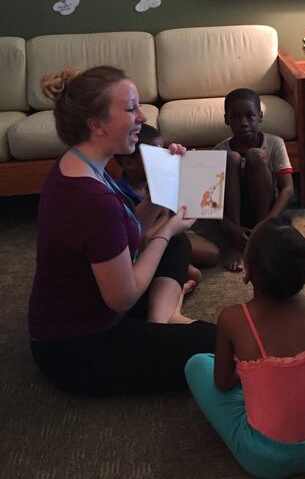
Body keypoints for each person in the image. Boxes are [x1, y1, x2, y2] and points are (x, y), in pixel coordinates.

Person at [28, 66, 216, 395]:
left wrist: (166, 181)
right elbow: (123, 298)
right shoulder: (91, 199)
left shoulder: (80, 165)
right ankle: (163, 322)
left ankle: (161, 321)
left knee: (175, 244)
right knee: (223, 343)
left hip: (95, 306)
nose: (143, 116)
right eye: (130, 108)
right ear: (96, 124)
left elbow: (129, 232)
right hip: (79, 348)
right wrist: (166, 231)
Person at [184, 215, 305, 479]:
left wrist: (252, 370)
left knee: (197, 364)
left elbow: (223, 383)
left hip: (263, 458)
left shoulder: (233, 318)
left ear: (249, 272)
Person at [114, 122, 220, 269]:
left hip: (167, 232)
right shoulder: (120, 196)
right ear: (130, 163)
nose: (163, 160)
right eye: (157, 156)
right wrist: (164, 220)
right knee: (193, 271)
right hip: (144, 245)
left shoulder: (153, 181)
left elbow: (169, 214)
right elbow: (140, 237)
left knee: (212, 254)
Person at [213, 88, 294, 272]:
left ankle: (260, 237)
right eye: (236, 117)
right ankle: (237, 244)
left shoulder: (275, 143)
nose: (243, 123)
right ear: (227, 119)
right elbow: (211, 201)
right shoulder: (219, 150)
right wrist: (229, 227)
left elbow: (287, 188)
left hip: (264, 208)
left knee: (255, 156)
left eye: (250, 116)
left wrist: (268, 221)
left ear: (260, 116)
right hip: (234, 212)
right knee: (231, 157)